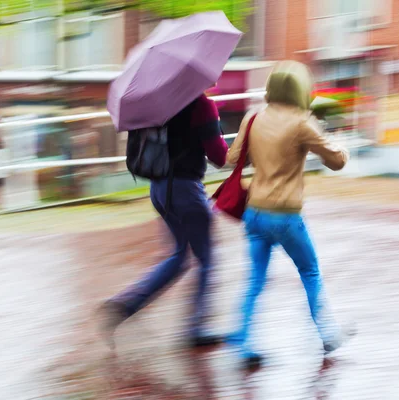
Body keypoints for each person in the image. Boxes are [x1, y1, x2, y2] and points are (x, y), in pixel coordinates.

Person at [225, 60, 354, 368]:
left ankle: (242, 341)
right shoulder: (302, 122)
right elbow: (336, 162)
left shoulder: (253, 118)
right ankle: (328, 333)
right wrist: (343, 147)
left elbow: (231, 158)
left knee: (255, 280)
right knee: (309, 272)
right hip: (284, 215)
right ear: (300, 89)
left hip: (254, 213)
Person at [99, 92, 229, 349]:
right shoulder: (202, 105)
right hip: (185, 190)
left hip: (159, 189)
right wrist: (220, 135)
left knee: (179, 256)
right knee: (206, 258)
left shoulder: (159, 102)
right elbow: (219, 156)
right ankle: (196, 327)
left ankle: (124, 305)